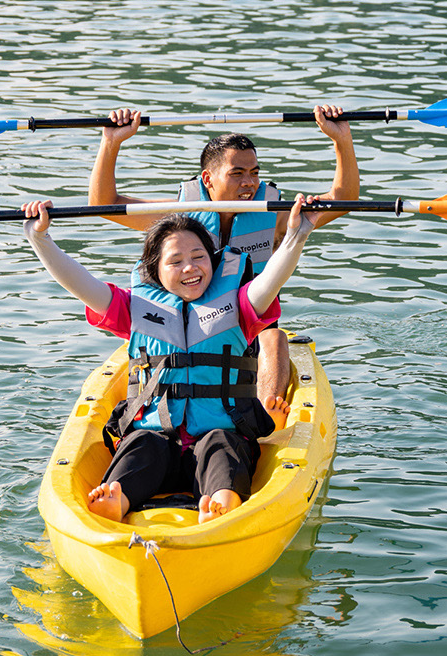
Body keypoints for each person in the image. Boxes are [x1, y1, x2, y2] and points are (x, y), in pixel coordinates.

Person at [20, 193, 323, 523]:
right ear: (155, 270)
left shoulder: (239, 307)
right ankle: (117, 497)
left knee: (221, 445)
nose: (190, 267)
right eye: (175, 261)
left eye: (199, 256)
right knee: (143, 445)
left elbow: (272, 280)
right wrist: (40, 239)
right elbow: (81, 284)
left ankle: (222, 501)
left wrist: (297, 234)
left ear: (214, 260)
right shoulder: (132, 309)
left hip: (219, 435)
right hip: (156, 438)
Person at [87, 103, 357, 426]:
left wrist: (341, 140)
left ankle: (263, 414)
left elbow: (345, 198)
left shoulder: (275, 214)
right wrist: (111, 142)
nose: (250, 183)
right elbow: (105, 205)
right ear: (208, 179)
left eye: (255, 173)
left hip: (246, 325)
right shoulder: (180, 215)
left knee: (274, 339)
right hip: (190, 329)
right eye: (237, 174)